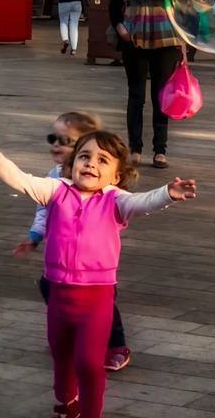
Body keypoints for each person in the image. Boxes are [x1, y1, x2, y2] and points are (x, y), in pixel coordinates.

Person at [0, 123, 196, 418]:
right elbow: (23, 181)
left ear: (116, 175)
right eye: (84, 156)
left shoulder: (116, 201)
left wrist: (167, 194)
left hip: (96, 299)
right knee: (60, 355)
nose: (90, 164)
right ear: (71, 164)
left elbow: (145, 202)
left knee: (88, 363)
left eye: (102, 160)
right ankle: (65, 406)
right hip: (60, 294)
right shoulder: (56, 190)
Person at [14, 111, 132, 372]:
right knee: (49, 286)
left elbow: (123, 206)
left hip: (94, 265)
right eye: (53, 138)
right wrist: (34, 237)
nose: (57, 144)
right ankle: (70, 332)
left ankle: (117, 345)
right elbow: (43, 211)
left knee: (103, 303)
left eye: (66, 140)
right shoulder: (54, 177)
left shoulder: (100, 182)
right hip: (62, 261)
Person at [109, 0, 184, 168]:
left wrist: (184, 45)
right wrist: (121, 29)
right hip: (135, 40)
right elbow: (114, 6)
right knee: (136, 95)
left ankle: (160, 150)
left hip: (165, 42)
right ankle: (135, 149)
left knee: (161, 96)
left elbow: (182, 10)